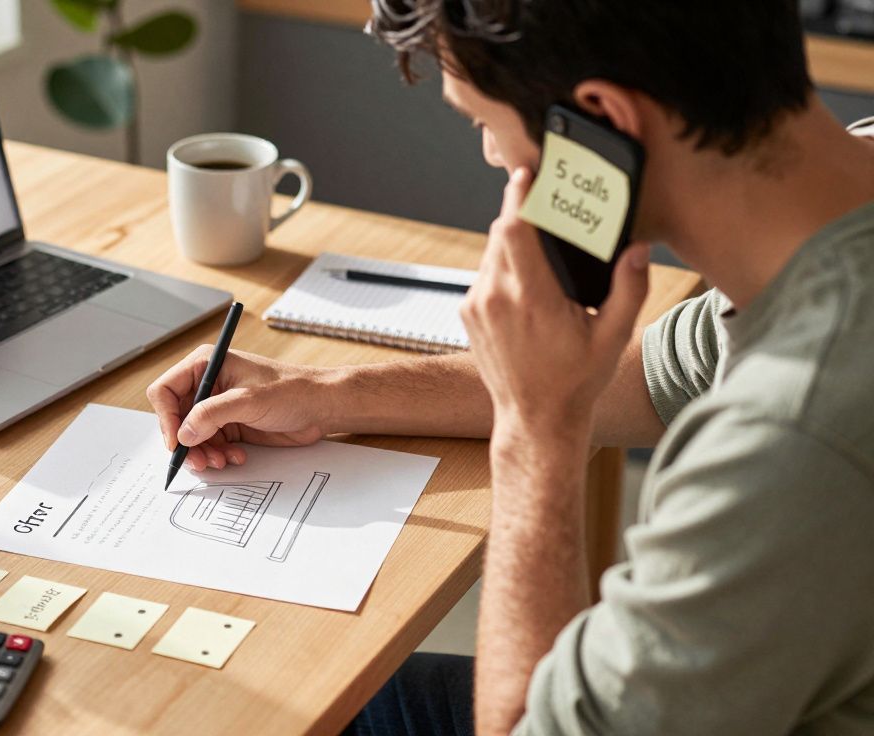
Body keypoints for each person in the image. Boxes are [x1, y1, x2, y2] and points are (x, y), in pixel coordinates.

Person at [145, 1, 874, 733]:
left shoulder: (792, 433)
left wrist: (538, 432)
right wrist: (324, 394)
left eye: (483, 124)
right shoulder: (837, 204)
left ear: (602, 125)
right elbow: (661, 376)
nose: (494, 156)